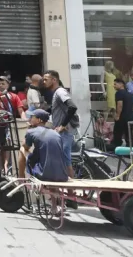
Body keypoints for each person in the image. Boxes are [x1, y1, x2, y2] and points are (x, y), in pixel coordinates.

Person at [42, 70, 79, 209]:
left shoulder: (60, 92)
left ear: (54, 79)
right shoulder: (56, 94)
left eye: (46, 79)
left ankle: (61, 199)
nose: (44, 82)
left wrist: (62, 125)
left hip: (64, 133)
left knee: (59, 164)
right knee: (65, 162)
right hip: (64, 133)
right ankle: (71, 197)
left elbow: (72, 107)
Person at [17, 109, 69, 182]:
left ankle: (21, 179)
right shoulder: (56, 134)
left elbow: (25, 146)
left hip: (44, 175)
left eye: (32, 117)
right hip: (61, 175)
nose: (30, 119)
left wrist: (29, 130)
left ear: (39, 120)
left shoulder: (31, 131)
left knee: (22, 149)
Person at [0, 76, 25, 172]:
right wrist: (3, 96)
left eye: (3, 84)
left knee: (9, 144)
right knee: (0, 147)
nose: (0, 85)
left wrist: (25, 122)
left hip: (10, 123)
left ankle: (6, 166)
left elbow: (21, 110)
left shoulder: (14, 96)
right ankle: (1, 167)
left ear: (8, 85)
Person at [112, 78, 133, 147]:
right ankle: (130, 150)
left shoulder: (119, 93)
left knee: (117, 133)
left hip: (122, 117)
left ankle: (116, 148)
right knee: (129, 134)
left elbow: (120, 104)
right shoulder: (129, 94)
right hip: (131, 117)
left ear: (121, 84)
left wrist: (117, 115)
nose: (113, 86)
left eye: (115, 84)